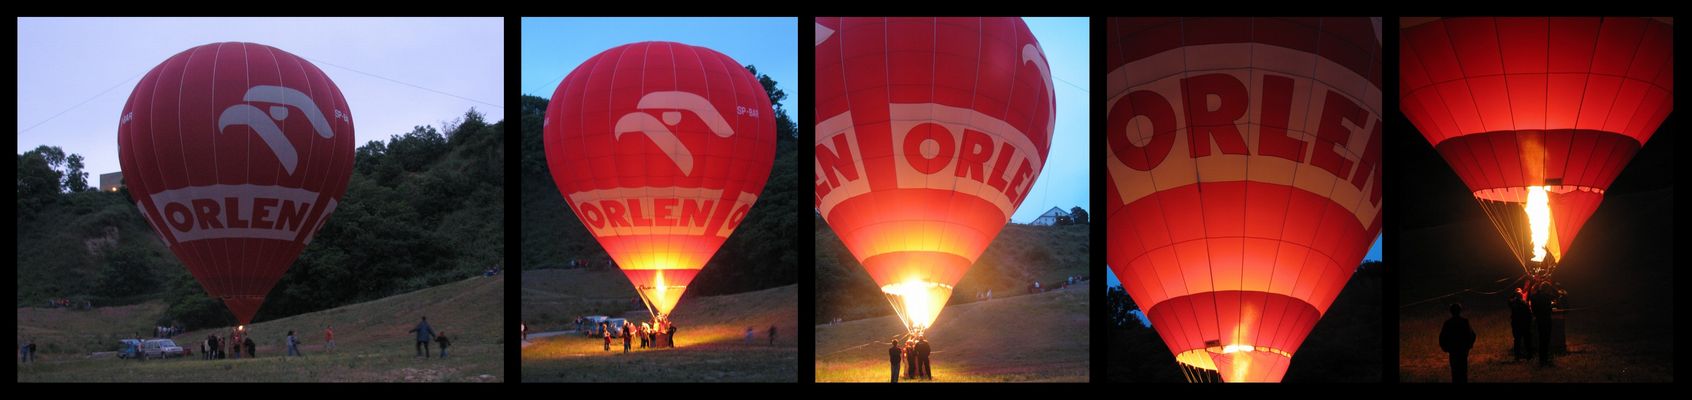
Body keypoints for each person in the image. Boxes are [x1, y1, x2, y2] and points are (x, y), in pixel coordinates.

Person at [1439, 303, 1476, 383]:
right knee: (1463, 371)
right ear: (1460, 311)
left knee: (1455, 372)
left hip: (1453, 351)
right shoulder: (1465, 322)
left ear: (1451, 311)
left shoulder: (1448, 323)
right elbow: (1472, 335)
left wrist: (1446, 348)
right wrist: (1469, 346)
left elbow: (1442, 338)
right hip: (1463, 351)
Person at [1531, 283, 1555, 366]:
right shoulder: (1547, 296)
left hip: (1538, 319)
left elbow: (1533, 309)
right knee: (1546, 339)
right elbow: (1557, 295)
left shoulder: (1534, 297)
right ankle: (1544, 358)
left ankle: (1542, 358)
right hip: (1546, 319)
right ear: (1547, 289)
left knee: (1541, 338)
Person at [1508, 290, 1533, 361]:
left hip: (1516, 324)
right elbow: (1529, 314)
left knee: (1517, 340)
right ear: (1521, 296)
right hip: (1524, 324)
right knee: (1527, 340)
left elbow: (1509, 300)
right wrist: (1529, 323)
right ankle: (1529, 355)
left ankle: (1517, 356)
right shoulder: (1524, 304)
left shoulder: (1512, 303)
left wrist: (1514, 294)